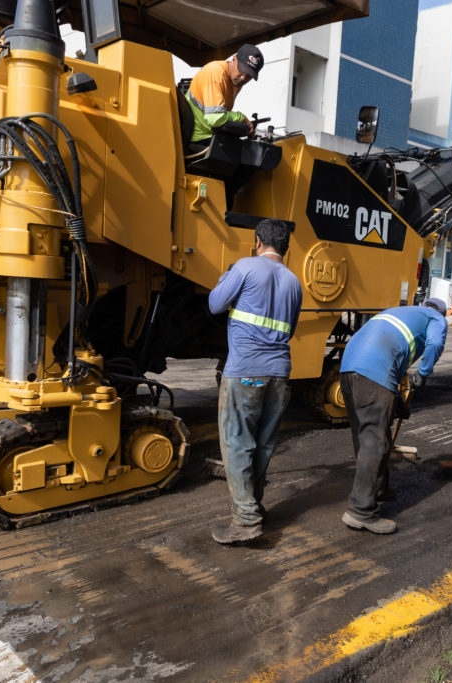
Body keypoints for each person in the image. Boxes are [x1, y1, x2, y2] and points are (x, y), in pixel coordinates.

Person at [207, 219, 302, 544]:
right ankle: (254, 507)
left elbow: (215, 304)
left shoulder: (245, 267)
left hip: (245, 371)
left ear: (258, 241)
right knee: (262, 445)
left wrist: (226, 278)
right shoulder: (294, 282)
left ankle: (246, 520)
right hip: (279, 374)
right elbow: (290, 330)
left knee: (237, 444)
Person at [338, 299, 449, 534]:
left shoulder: (400, 312)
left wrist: (397, 402)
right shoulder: (436, 318)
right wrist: (423, 373)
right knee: (375, 442)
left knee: (366, 437)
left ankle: (378, 490)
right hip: (373, 370)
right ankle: (360, 511)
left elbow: (392, 358)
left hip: (348, 369)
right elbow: (436, 342)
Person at [186, 43, 264, 149]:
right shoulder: (216, 73)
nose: (243, 78)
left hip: (210, 133)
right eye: (242, 70)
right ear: (234, 60)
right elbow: (216, 118)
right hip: (198, 137)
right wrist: (241, 118)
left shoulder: (235, 81)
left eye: (249, 75)